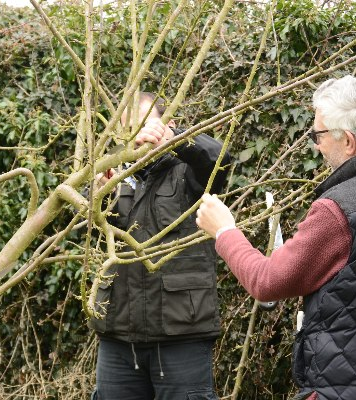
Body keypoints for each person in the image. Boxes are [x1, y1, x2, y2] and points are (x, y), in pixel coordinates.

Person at [196, 76, 356, 399]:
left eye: (319, 133)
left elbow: (267, 281)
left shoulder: (338, 210)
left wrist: (224, 231)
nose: (315, 143)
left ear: (349, 142)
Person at [90, 92, 230, 399]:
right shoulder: (111, 174)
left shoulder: (190, 171)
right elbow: (98, 237)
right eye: (129, 129)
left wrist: (175, 139)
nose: (139, 136)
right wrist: (98, 197)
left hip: (181, 333)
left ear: (170, 124)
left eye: (146, 125)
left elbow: (219, 159)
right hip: (118, 335)